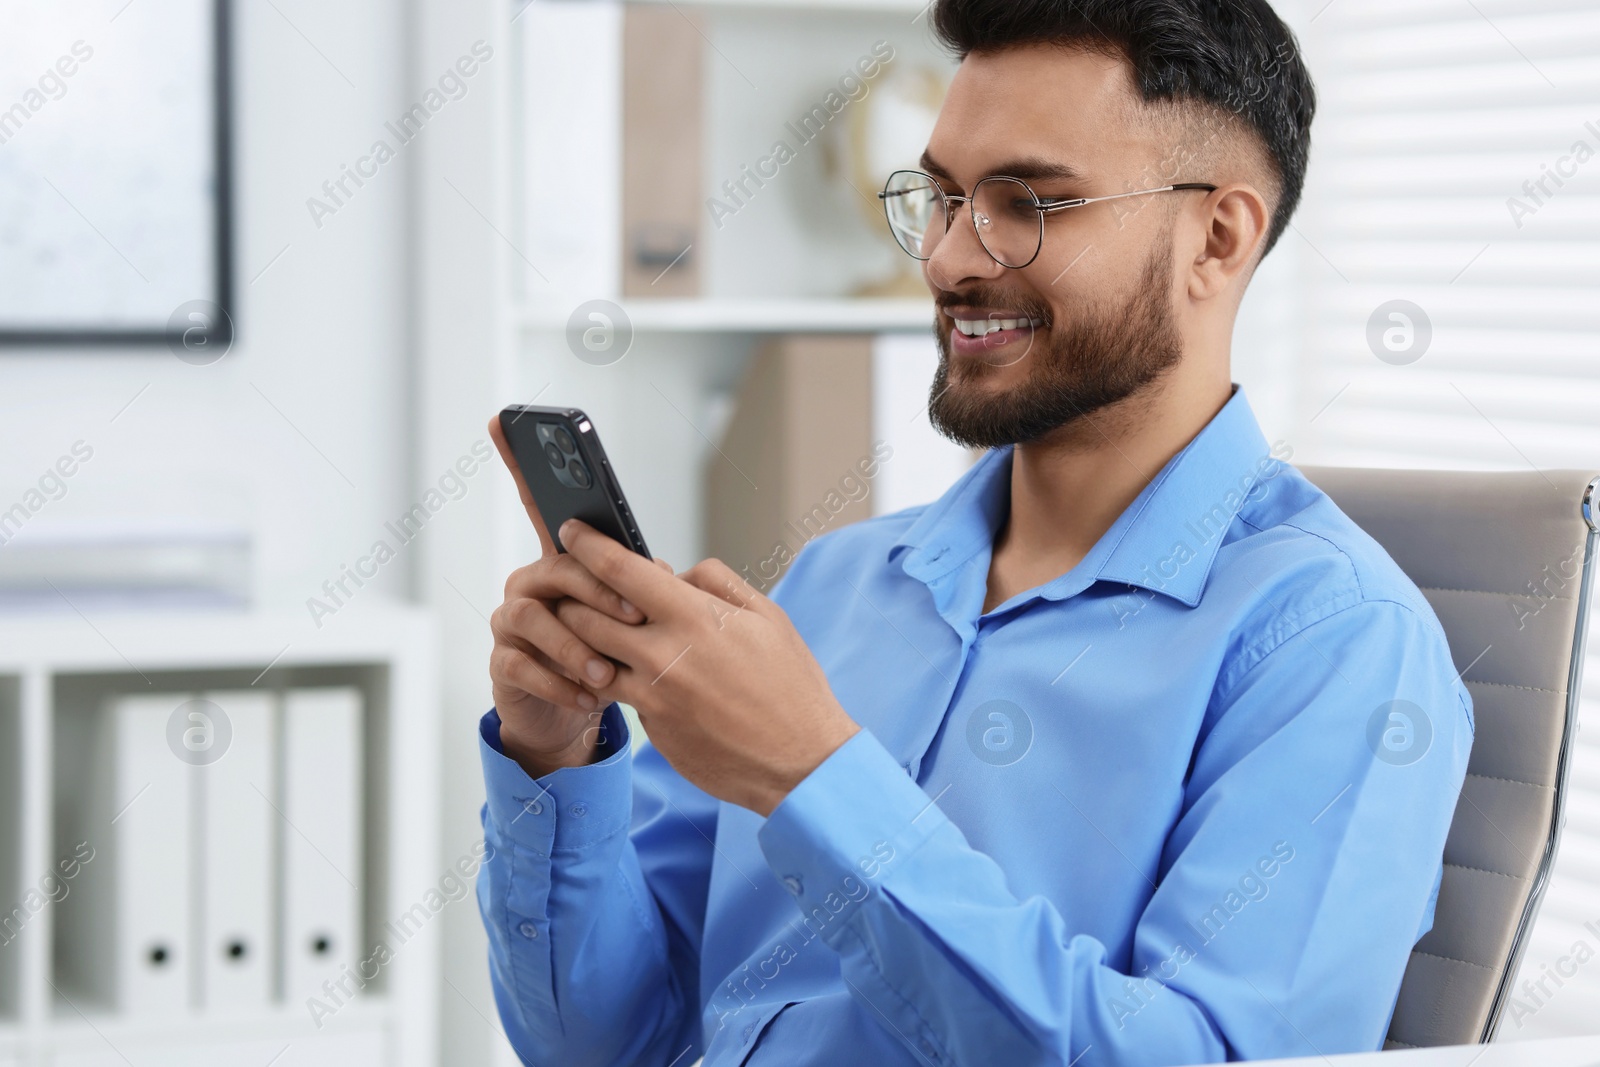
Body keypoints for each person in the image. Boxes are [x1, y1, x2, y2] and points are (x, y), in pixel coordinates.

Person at [474, 1, 1473, 1063]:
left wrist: (812, 775)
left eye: (1028, 201)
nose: (951, 258)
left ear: (1216, 239)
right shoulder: (834, 584)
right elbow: (612, 1044)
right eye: (945, 197)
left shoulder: (1337, 647)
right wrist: (555, 755)